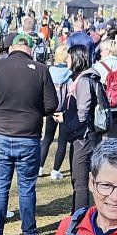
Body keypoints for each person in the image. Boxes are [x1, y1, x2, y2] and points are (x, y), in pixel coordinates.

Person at [0, 33, 57, 235]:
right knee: (27, 187)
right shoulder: (41, 69)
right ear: (30, 50)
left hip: (1, 134)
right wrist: (34, 112)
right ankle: (29, 234)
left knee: (0, 186)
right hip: (29, 136)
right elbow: (52, 104)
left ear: (11, 48)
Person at [63, 44, 103, 212]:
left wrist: (68, 127)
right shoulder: (84, 79)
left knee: (80, 182)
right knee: (77, 179)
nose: (66, 59)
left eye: (69, 56)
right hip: (83, 136)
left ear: (77, 58)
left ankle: (80, 219)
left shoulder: (85, 81)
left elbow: (83, 112)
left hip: (84, 137)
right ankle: (76, 215)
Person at [40, 46, 72, 179]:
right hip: (64, 111)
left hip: (51, 109)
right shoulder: (70, 74)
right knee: (62, 142)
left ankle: (39, 168)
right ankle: (55, 171)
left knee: (47, 138)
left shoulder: (50, 71)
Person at [93, 38, 117, 139]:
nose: (100, 53)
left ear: (108, 51)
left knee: (97, 136)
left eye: (102, 50)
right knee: (113, 137)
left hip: (101, 107)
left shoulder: (98, 67)